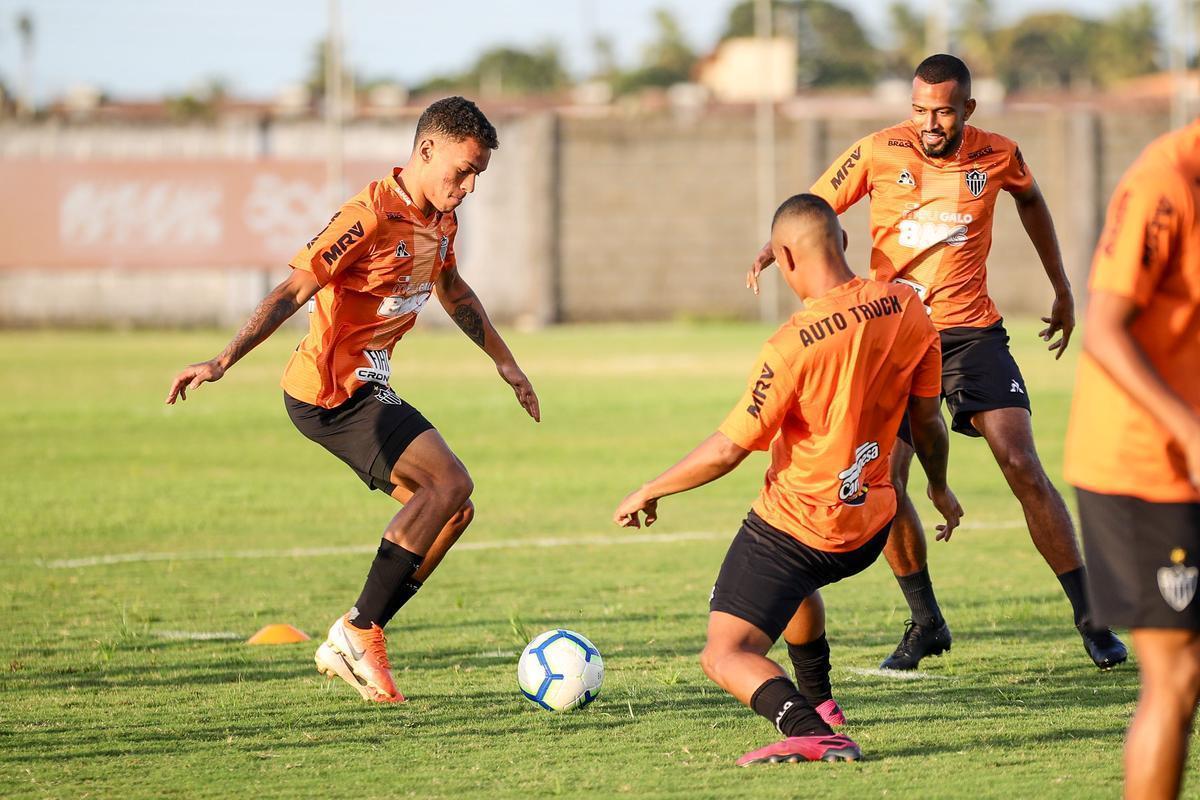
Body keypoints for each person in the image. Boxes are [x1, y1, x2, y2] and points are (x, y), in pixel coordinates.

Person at [748, 53, 1125, 671]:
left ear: (967, 110)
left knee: (1022, 462)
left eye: (942, 111)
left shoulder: (998, 153)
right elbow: (812, 208)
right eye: (920, 110)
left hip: (971, 335)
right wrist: (771, 249)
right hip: (894, 336)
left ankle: (1092, 617)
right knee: (885, 481)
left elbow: (1031, 202)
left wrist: (1060, 287)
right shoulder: (876, 151)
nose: (929, 123)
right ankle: (926, 623)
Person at [165, 96, 540, 704]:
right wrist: (222, 360)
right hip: (332, 393)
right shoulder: (366, 217)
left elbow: (453, 289)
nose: (468, 187)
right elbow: (292, 290)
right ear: (426, 150)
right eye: (462, 171)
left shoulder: (441, 221)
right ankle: (359, 628)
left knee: (451, 511)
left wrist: (505, 361)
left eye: (477, 176)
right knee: (450, 484)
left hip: (370, 386)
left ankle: (360, 632)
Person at [615, 193, 962, 764]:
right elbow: (926, 422)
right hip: (870, 523)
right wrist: (940, 488)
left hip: (801, 524)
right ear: (844, 242)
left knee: (725, 653)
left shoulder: (791, 345)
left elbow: (729, 449)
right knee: (796, 581)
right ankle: (821, 702)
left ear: (782, 256)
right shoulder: (908, 306)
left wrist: (651, 488)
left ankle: (811, 729)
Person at [1065, 121, 1200, 799]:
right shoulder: (1164, 182)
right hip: (1145, 467)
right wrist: (1190, 432)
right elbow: (1106, 331)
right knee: (1176, 676)